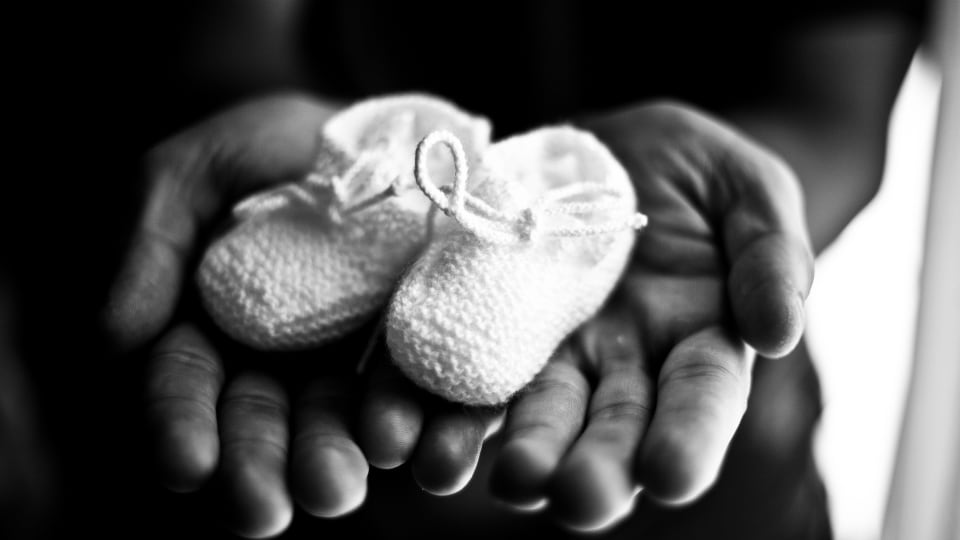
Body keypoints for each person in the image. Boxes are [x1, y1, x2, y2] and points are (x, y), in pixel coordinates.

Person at [17, 1, 927, 539]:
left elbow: (833, 104)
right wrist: (239, 98)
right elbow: (222, 29)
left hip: (714, 494)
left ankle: (555, 224)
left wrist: (731, 196)